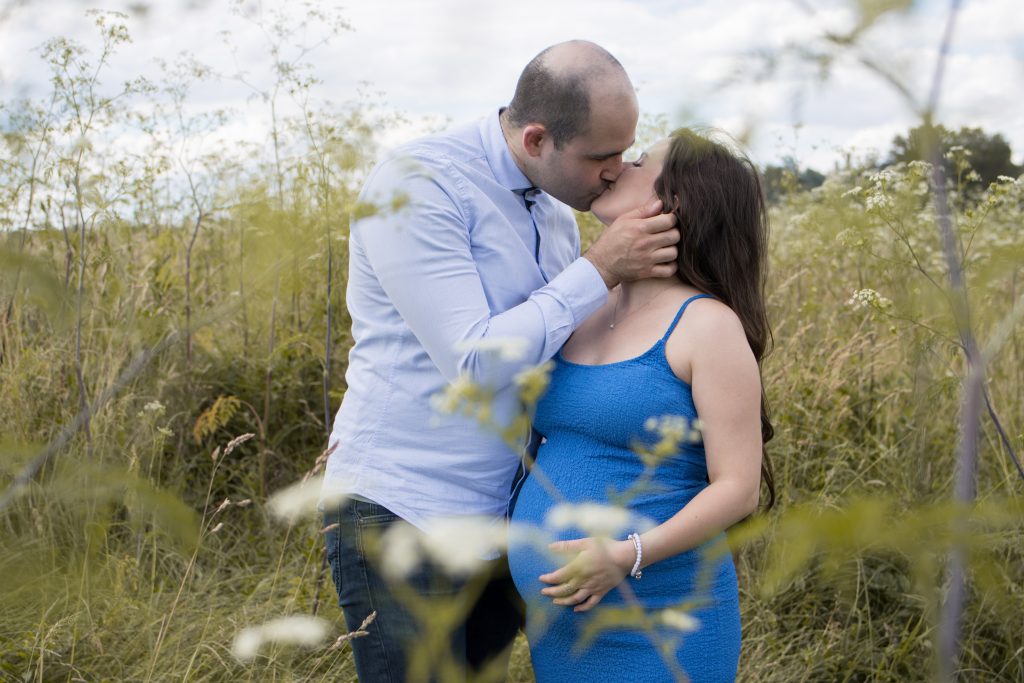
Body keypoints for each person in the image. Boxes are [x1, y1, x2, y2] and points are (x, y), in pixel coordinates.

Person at [321, 41, 680, 682]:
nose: (615, 170)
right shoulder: (418, 185)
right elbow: (477, 365)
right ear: (537, 138)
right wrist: (599, 271)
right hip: (406, 510)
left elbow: (548, 354)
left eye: (625, 151)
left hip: (504, 520)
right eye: (602, 156)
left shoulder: (555, 210)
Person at [508, 128, 777, 682]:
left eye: (636, 164)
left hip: (660, 618)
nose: (615, 168)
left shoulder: (708, 326)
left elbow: (738, 487)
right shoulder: (583, 302)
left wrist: (626, 555)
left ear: (672, 203)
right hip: (563, 631)